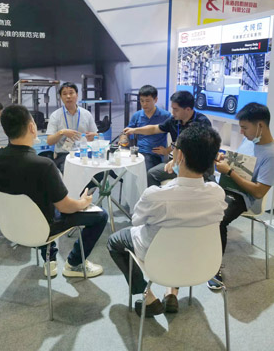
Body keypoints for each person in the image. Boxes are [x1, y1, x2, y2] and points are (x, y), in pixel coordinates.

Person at [0, 104, 107, 278]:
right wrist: (84, 202)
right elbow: (65, 207)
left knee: (41, 204)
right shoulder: (43, 165)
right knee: (101, 216)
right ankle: (74, 264)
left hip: (10, 227)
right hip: (42, 228)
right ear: (32, 127)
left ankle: (49, 259)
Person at [107, 124, 225, 317]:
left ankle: (148, 297)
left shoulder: (155, 196)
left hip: (158, 260)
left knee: (114, 241)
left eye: (175, 148)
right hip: (202, 261)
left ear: (180, 156)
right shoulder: (217, 193)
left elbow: (136, 221)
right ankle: (172, 292)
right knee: (183, 237)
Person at [210, 102, 274, 289]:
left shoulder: (271, 155)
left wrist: (229, 172)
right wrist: (224, 159)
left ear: (260, 126)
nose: (241, 132)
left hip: (244, 197)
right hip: (227, 186)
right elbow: (239, 163)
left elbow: (259, 192)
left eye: (245, 128)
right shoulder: (250, 140)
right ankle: (200, 251)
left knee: (218, 220)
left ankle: (214, 268)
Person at [124, 90, 212, 186]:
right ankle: (155, 196)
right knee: (151, 174)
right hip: (177, 161)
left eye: (176, 109)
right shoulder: (174, 121)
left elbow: (196, 148)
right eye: (172, 109)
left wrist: (175, 159)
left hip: (196, 165)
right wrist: (134, 130)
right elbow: (155, 128)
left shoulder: (202, 123)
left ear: (187, 109)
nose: (173, 112)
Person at [46, 82, 97, 172]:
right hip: (64, 155)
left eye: (71, 93)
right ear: (61, 97)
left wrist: (93, 136)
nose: (68, 96)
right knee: (68, 172)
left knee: (97, 171)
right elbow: (49, 141)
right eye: (64, 94)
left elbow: (96, 135)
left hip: (83, 153)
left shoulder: (86, 114)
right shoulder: (55, 116)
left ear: (77, 95)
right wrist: (62, 132)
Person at [126, 85, 172, 172]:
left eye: (147, 101)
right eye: (142, 101)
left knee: (142, 168)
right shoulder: (137, 115)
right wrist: (123, 138)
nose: (144, 104)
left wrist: (167, 150)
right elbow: (126, 132)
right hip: (138, 152)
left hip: (154, 155)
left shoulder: (166, 116)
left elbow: (177, 138)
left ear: (155, 100)